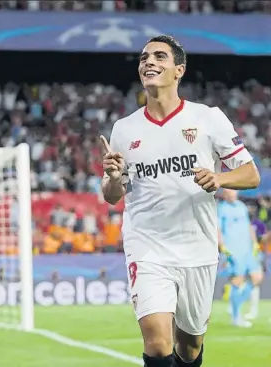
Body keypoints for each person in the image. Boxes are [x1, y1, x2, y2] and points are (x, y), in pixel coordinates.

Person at [100, 35, 260, 367]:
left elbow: (250, 174)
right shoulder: (124, 129)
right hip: (147, 245)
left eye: (159, 56)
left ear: (179, 70)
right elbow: (113, 196)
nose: (149, 62)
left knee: (188, 347)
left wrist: (219, 178)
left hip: (197, 248)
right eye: (144, 58)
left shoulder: (207, 118)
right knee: (158, 342)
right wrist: (114, 178)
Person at [217, 189, 263, 327]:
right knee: (237, 281)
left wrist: (254, 242)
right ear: (224, 194)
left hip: (247, 249)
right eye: (228, 193)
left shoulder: (241, 206)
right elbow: (217, 228)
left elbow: (249, 226)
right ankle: (236, 317)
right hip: (233, 250)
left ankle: (235, 305)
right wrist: (222, 246)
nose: (231, 195)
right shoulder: (221, 208)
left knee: (257, 277)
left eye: (233, 192)